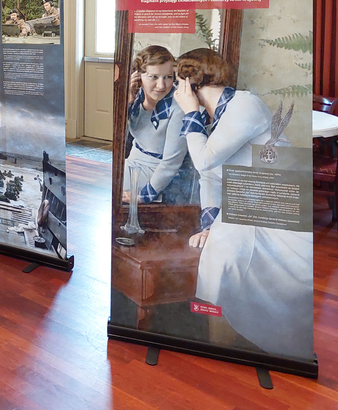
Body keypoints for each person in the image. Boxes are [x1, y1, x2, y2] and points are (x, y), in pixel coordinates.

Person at [173, 48, 312, 358]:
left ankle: (228, 345)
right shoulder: (215, 117)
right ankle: (222, 344)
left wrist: (190, 112)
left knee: (221, 260)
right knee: (218, 259)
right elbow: (209, 177)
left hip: (275, 202)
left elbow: (204, 160)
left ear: (188, 84)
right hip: (246, 200)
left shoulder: (244, 104)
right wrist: (209, 225)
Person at [122, 45, 187, 204]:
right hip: (133, 163)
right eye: (154, 77)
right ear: (138, 76)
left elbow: (171, 163)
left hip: (160, 176)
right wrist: (128, 100)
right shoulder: (136, 96)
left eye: (168, 77)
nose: (161, 85)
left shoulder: (179, 107)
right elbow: (118, 139)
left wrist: (143, 197)